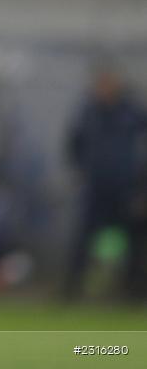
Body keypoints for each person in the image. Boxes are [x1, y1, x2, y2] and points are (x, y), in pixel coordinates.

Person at [63, 66, 147, 299]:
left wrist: (141, 187)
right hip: (95, 188)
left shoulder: (132, 112)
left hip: (125, 188)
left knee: (131, 241)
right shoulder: (87, 113)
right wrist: (81, 172)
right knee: (84, 239)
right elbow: (73, 145)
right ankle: (73, 287)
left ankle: (133, 289)